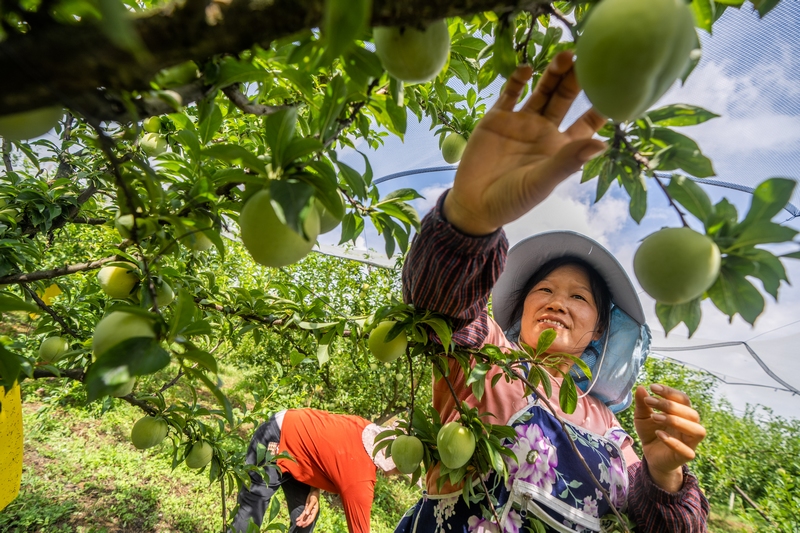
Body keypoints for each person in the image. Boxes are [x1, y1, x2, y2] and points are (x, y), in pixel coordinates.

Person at [395, 51, 709, 532]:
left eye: (579, 298)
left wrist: (664, 474)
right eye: (545, 288)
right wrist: (470, 220)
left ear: (598, 330)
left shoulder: (611, 426)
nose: (559, 300)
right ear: (521, 309)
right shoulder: (491, 360)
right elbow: (440, 309)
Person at [231, 408, 398, 533]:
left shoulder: (365, 429)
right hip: (277, 435)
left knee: (305, 516)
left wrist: (314, 488)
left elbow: (322, 446)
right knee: (252, 509)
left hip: (300, 457)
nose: (400, 474)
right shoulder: (360, 480)